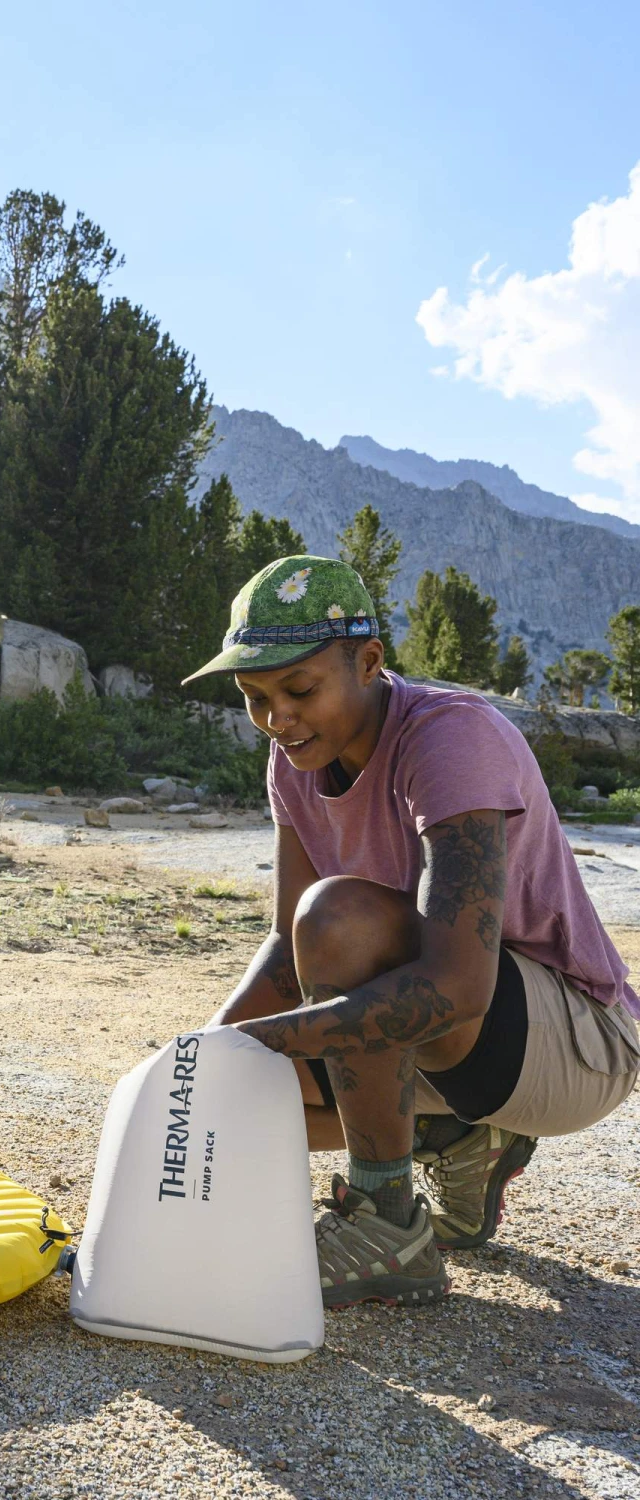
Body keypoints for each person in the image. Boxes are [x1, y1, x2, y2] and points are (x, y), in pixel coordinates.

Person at [184, 555, 640, 1308]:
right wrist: (204, 1058)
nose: (277, 718)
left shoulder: (451, 739)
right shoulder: (293, 759)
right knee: (233, 1091)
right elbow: (286, 952)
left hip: (578, 1045)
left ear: (369, 662)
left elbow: (457, 987)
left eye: (300, 689)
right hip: (455, 1044)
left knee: (339, 920)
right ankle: (451, 1137)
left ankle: (387, 1224)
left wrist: (268, 1039)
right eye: (256, 698)